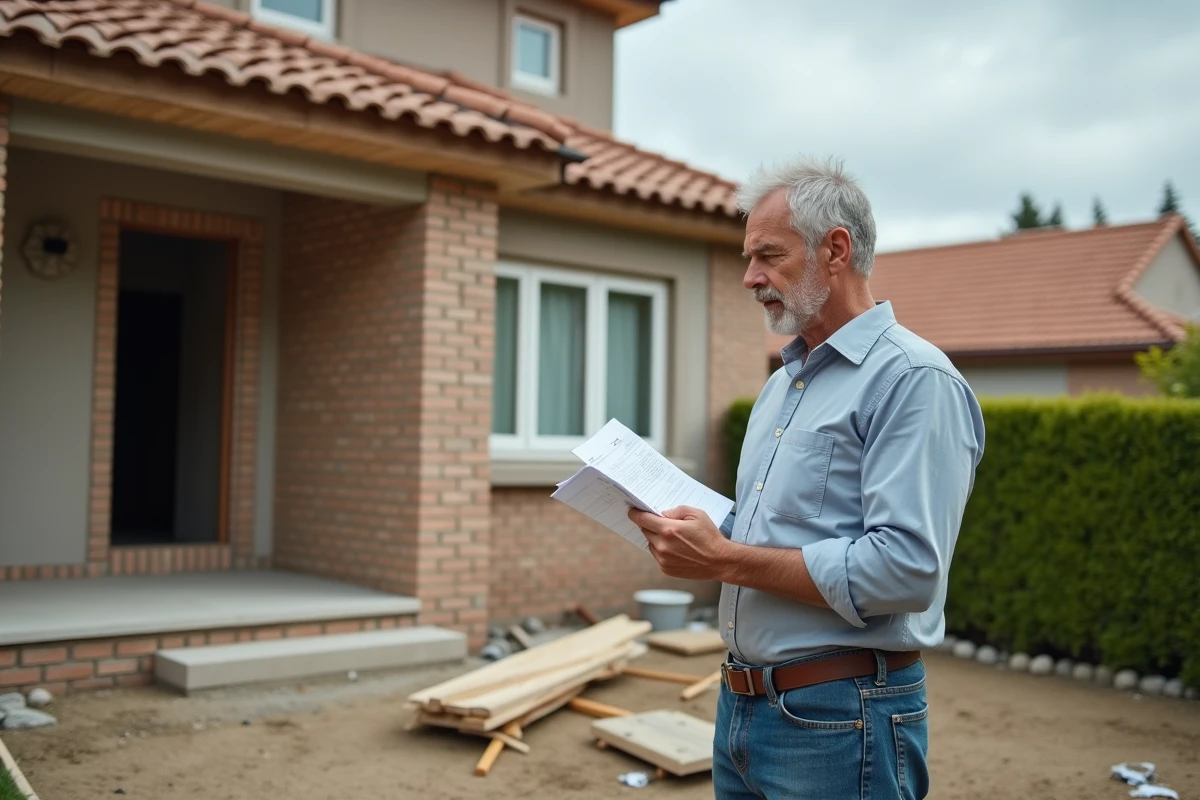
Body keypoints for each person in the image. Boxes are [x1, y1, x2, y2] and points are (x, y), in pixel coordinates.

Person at [628, 157, 985, 800]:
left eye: (768, 255)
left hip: (844, 717)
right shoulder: (781, 386)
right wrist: (701, 532)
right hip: (743, 707)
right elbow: (771, 531)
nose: (749, 277)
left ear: (836, 250)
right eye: (748, 257)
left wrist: (726, 559)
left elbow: (907, 568)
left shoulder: (912, 380)